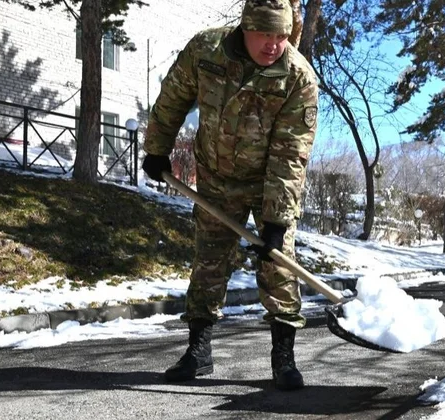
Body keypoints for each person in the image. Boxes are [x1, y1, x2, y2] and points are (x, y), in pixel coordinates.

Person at [141, 0, 318, 391]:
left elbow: (290, 156)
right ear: (245, 28)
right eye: (266, 34)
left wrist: (275, 220)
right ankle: (198, 351)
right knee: (209, 260)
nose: (274, 44)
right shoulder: (207, 50)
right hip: (216, 176)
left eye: (282, 35)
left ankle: (283, 357)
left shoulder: (298, 78)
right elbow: (172, 98)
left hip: (268, 181)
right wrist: (157, 149)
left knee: (278, 264)